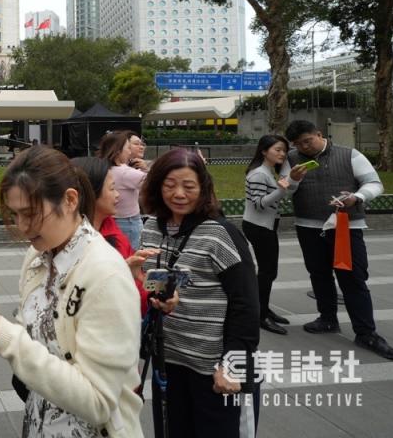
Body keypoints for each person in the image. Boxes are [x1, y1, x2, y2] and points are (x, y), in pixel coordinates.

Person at [0, 147, 143, 438]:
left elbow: (99, 402)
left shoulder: (105, 274)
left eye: (31, 214)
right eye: (15, 214)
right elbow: (34, 338)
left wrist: (3, 336)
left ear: (71, 200)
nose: (23, 227)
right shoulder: (38, 257)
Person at [138, 148, 260, 438]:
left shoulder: (221, 234)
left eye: (189, 186)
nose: (178, 194)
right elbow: (154, 289)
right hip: (169, 361)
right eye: (169, 185)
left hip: (213, 368)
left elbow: (246, 304)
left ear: (203, 189)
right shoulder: (152, 228)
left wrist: (232, 364)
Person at [284, 120, 393, 360]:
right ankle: (327, 319)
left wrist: (357, 197)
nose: (304, 147)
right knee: (319, 273)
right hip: (308, 226)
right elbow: (285, 191)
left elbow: (375, 183)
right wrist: (293, 180)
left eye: (308, 141)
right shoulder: (291, 159)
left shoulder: (350, 154)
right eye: (298, 144)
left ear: (319, 134)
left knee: (353, 278)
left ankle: (366, 332)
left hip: (346, 226)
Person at [72, 156, 152, 317]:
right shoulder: (68, 243)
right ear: (90, 193)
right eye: (112, 188)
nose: (118, 195)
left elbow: (136, 296)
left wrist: (156, 296)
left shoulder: (115, 234)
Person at [243, 135, 292, 335]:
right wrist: (281, 190)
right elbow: (259, 203)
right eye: (278, 150)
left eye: (284, 151)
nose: (282, 154)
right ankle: (260, 314)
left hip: (265, 226)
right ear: (264, 151)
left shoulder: (267, 172)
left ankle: (264, 308)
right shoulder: (258, 174)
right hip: (258, 226)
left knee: (268, 272)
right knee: (267, 272)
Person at [97, 131, 147, 250]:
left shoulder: (104, 167)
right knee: (131, 253)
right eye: (128, 148)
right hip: (129, 222)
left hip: (111, 219)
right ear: (119, 151)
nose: (130, 152)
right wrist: (146, 168)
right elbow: (154, 183)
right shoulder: (125, 172)